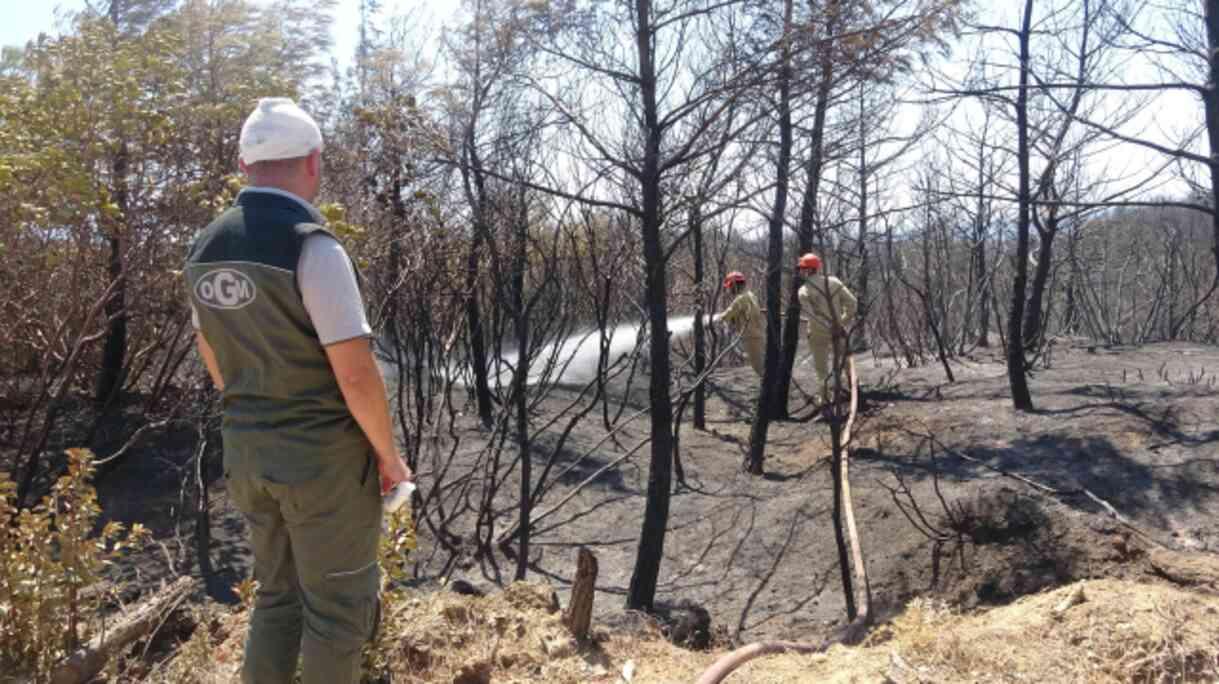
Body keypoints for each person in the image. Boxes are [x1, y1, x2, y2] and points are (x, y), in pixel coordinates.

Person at [183, 97, 413, 684]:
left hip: (248, 456)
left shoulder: (203, 250)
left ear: (244, 164)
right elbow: (355, 372)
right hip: (321, 466)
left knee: (276, 599)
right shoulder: (314, 246)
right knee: (337, 612)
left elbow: (214, 359)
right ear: (313, 161)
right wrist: (387, 458)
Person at [796, 252, 857, 402]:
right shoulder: (834, 282)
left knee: (821, 369)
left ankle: (825, 399)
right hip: (838, 329)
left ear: (808, 270)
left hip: (817, 333)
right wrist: (840, 322)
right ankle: (854, 389)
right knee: (846, 361)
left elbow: (812, 315)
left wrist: (827, 325)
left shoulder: (803, 291)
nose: (801, 272)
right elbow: (852, 303)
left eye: (803, 268)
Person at [713, 271, 765, 376]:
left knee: (760, 368)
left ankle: (774, 390)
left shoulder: (740, 299)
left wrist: (714, 320)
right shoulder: (750, 295)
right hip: (759, 334)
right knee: (765, 364)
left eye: (730, 286)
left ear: (734, 285)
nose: (729, 289)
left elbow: (728, 314)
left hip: (751, 337)